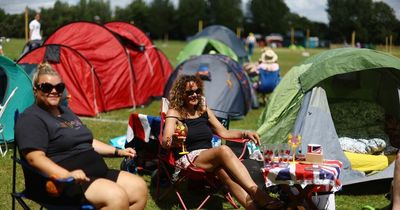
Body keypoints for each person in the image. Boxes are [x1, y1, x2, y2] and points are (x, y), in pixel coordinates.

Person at [15, 62, 148, 210]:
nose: (54, 91)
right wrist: (66, 174)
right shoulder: (31, 118)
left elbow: (87, 141)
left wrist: (117, 151)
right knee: (116, 197)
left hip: (96, 172)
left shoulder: (66, 112)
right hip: (63, 182)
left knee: (139, 188)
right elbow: (35, 158)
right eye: (47, 87)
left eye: (59, 87)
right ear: (35, 90)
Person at [162, 75, 283, 210]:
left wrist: (245, 133)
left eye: (197, 91)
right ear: (181, 94)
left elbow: (224, 132)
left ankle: (252, 207)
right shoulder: (175, 112)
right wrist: (173, 141)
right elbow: (165, 141)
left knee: (224, 173)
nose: (194, 95)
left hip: (209, 157)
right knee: (223, 150)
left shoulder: (203, 109)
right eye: (189, 92)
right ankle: (258, 193)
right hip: (188, 158)